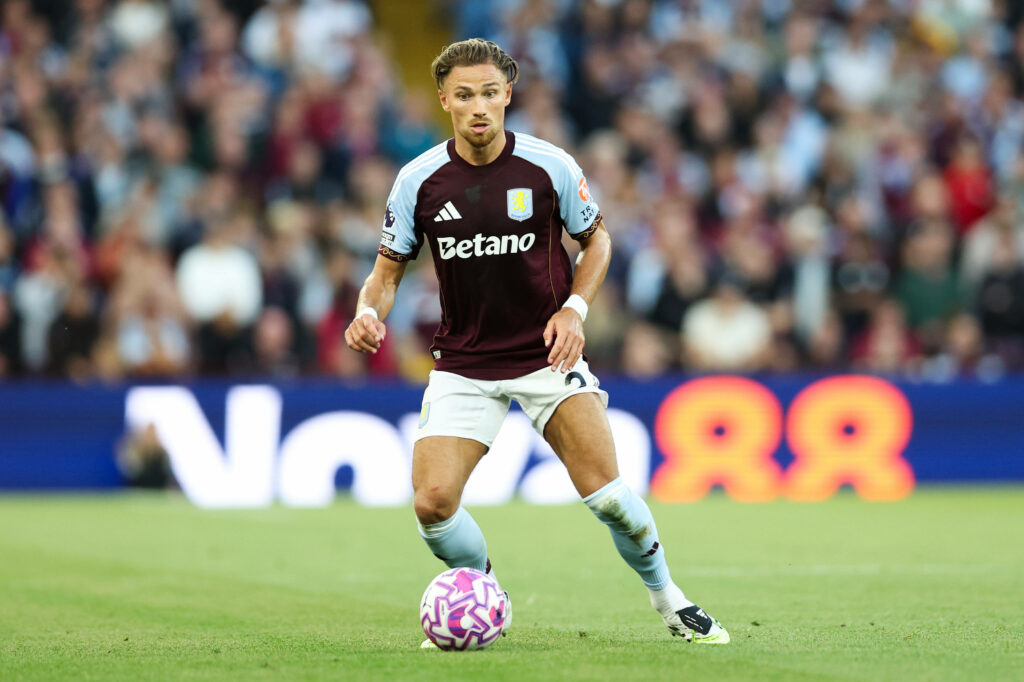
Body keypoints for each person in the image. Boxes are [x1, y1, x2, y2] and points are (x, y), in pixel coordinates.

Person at [345, 39, 729, 645]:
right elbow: (387, 272)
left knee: (609, 499)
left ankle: (670, 599)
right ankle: (480, 592)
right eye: (465, 95)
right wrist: (368, 311)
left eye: (490, 94)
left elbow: (597, 242)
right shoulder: (417, 181)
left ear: (508, 96)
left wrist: (575, 310)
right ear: (444, 99)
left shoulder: (549, 166)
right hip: (465, 363)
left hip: (547, 355)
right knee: (433, 504)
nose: (479, 107)